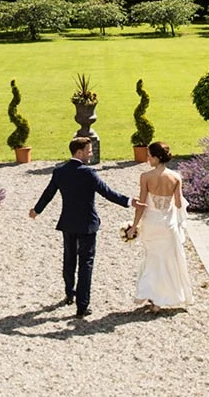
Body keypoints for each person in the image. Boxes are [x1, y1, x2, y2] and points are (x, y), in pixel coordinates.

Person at [30, 136, 144, 318]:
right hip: (87, 225)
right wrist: (130, 202)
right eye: (89, 151)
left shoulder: (59, 172)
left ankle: (69, 293)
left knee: (69, 259)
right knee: (86, 263)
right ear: (79, 152)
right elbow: (108, 193)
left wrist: (37, 210)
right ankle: (82, 306)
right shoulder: (88, 173)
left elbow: (48, 194)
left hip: (68, 223)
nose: (91, 154)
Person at [127, 141, 194, 311]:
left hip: (151, 223)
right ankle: (164, 297)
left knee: (152, 259)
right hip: (167, 225)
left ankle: (153, 298)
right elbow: (179, 204)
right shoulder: (176, 177)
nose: (147, 158)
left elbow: (142, 204)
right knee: (167, 261)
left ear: (156, 158)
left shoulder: (146, 177)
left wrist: (134, 226)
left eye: (149, 156)